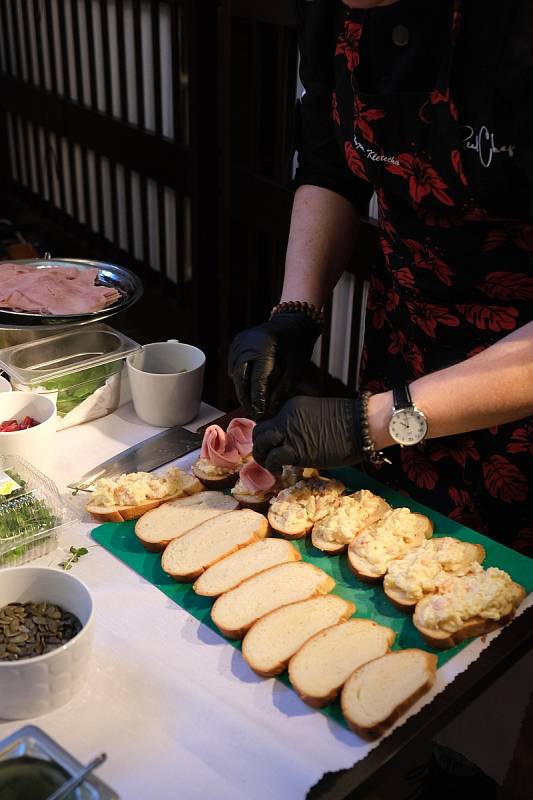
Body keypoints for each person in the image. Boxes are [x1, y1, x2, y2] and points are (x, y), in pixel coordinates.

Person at [228, 0, 533, 557]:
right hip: (400, 341)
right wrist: (296, 312)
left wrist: (374, 421)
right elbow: (329, 165)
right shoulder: (333, 11)